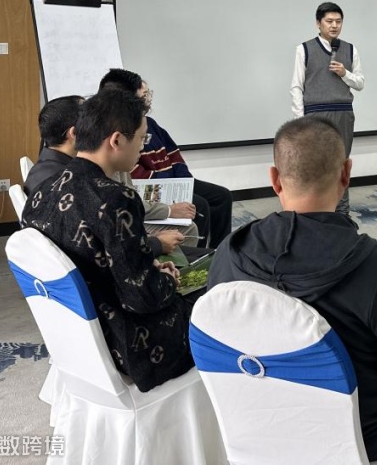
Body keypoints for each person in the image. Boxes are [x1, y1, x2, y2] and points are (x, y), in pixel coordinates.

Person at [208, 116, 377, 464]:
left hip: (261, 421)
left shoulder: (229, 252)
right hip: (363, 430)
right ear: (346, 174)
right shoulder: (375, 266)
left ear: (275, 179)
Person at [21, 88, 194, 391]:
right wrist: (165, 279)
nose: (142, 148)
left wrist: (146, 267)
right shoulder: (116, 199)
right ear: (116, 140)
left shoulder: (42, 192)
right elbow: (142, 298)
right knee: (214, 300)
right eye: (141, 138)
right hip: (129, 346)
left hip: (75, 337)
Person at [25, 94, 188, 256]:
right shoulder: (98, 192)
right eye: (141, 138)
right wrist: (155, 244)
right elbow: (121, 256)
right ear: (76, 133)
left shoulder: (49, 179)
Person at [99, 69, 234, 249]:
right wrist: (167, 185)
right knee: (198, 206)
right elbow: (134, 175)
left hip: (174, 181)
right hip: (155, 186)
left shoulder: (150, 123)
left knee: (222, 196)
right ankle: (198, 254)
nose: (148, 100)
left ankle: (221, 249)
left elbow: (173, 154)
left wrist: (183, 179)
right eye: (143, 96)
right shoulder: (121, 135)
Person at [290, 2, 365, 217]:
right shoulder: (304, 49)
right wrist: (301, 120)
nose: (334, 25)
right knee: (315, 165)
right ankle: (314, 213)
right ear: (318, 23)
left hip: (343, 113)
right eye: (329, 21)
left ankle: (342, 216)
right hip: (315, 115)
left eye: (338, 21)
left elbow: (360, 83)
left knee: (341, 165)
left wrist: (345, 74)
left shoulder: (350, 49)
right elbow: (296, 87)